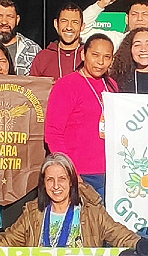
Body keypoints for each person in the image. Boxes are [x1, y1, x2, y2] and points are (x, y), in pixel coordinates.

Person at [0, 153, 140, 249]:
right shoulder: (33, 214)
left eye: (62, 179)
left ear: (71, 181)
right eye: (50, 180)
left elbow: (123, 237)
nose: (56, 186)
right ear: (43, 183)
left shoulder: (92, 213)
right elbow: (3, 242)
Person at [45, 34, 117, 197]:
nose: (100, 62)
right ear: (83, 55)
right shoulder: (66, 85)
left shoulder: (112, 85)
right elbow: (53, 134)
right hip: (81, 174)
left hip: (110, 173)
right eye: (95, 55)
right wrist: (70, 172)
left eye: (107, 57)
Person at [30, 3, 87, 79]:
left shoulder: (89, 56)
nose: (69, 27)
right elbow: (33, 88)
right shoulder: (43, 57)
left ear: (82, 27)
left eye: (75, 22)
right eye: (64, 21)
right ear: (56, 24)